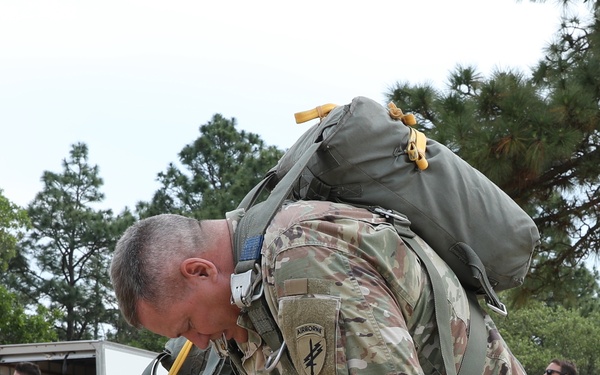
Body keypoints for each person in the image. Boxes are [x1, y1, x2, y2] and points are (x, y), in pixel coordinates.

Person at [110, 200, 526, 374]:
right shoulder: (246, 300)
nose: (197, 343)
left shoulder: (299, 262)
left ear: (200, 271)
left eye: (187, 325)